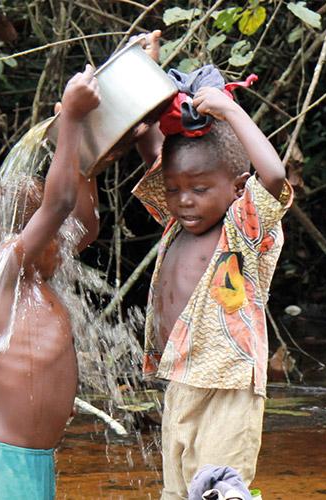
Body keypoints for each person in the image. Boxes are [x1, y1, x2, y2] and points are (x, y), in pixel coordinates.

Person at [0, 29, 164, 496]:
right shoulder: (4, 275)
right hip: (3, 466)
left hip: (33, 463)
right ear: (10, 236)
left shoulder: (37, 277)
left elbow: (83, 224)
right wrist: (70, 122)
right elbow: (57, 207)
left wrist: (87, 145)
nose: (60, 234)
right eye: (47, 229)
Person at [131, 67, 291, 500]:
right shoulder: (175, 222)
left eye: (199, 189)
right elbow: (152, 153)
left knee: (219, 491)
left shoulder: (243, 228)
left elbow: (274, 178)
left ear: (239, 188)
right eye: (175, 189)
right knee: (178, 491)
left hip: (229, 386)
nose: (184, 199)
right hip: (182, 379)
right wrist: (148, 81)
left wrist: (229, 110)